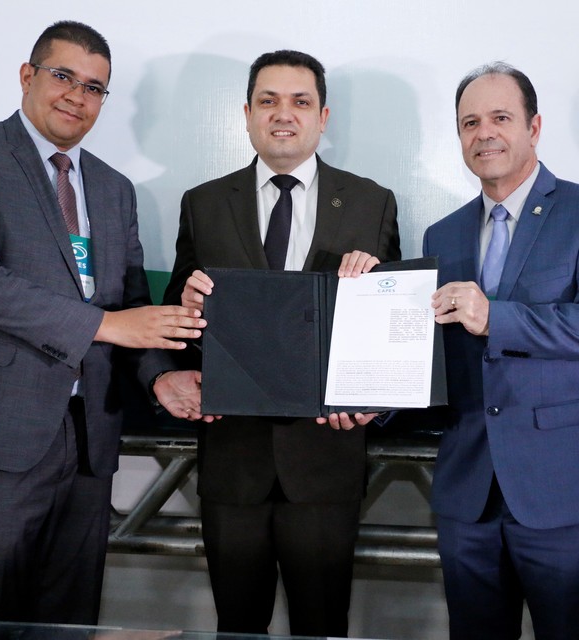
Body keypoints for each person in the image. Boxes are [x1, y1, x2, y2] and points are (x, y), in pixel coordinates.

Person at [0, 20, 209, 625]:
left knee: (71, 618)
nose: (78, 94)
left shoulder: (113, 188)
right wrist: (110, 328)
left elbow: (128, 303)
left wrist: (158, 378)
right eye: (63, 76)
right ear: (27, 76)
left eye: (96, 87)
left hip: (88, 435)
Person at [164, 50, 401, 637]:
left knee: (322, 626)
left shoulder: (373, 203)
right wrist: (186, 322)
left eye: (300, 101)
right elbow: (177, 317)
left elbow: (397, 327)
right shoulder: (203, 203)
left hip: (325, 461)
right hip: (232, 460)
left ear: (324, 116)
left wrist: (379, 398)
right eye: (268, 101)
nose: (283, 114)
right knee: (237, 627)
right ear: (247, 115)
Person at [423, 62, 579, 640]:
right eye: (470, 122)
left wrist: (495, 317)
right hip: (468, 490)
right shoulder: (441, 236)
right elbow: (437, 359)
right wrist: (374, 401)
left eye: (500, 118)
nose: (484, 133)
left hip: (562, 488)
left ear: (534, 126)